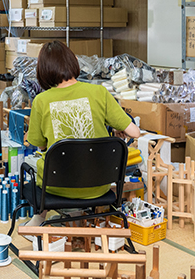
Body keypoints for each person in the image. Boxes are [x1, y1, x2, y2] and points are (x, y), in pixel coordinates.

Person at [26, 41, 140, 227]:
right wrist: (116, 128)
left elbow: (41, 145)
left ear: (43, 70)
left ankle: (39, 218)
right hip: (98, 184)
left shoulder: (41, 101)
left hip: (56, 186)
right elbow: (135, 132)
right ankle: (78, 216)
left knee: (39, 163)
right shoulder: (99, 92)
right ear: (73, 62)